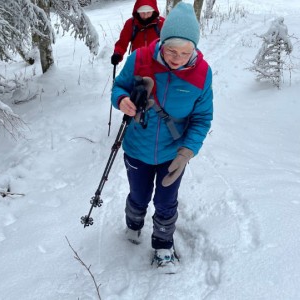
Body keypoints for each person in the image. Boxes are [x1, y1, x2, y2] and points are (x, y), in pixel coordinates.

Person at [111, 2, 213, 270]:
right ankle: (133, 225)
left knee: (166, 201)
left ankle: (163, 245)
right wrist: (121, 100)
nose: (177, 58)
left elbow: (202, 118)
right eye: (171, 50)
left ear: (195, 49)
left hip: (173, 153)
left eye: (185, 52)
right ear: (162, 42)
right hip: (137, 147)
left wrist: (187, 151)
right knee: (138, 194)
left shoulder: (202, 74)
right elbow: (118, 86)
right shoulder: (140, 58)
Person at [110, 0, 164, 66]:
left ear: (153, 11)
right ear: (138, 11)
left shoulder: (161, 23)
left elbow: (169, 42)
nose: (146, 16)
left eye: (148, 12)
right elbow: (122, 42)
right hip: (137, 63)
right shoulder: (131, 24)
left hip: (157, 63)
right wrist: (117, 54)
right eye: (142, 13)